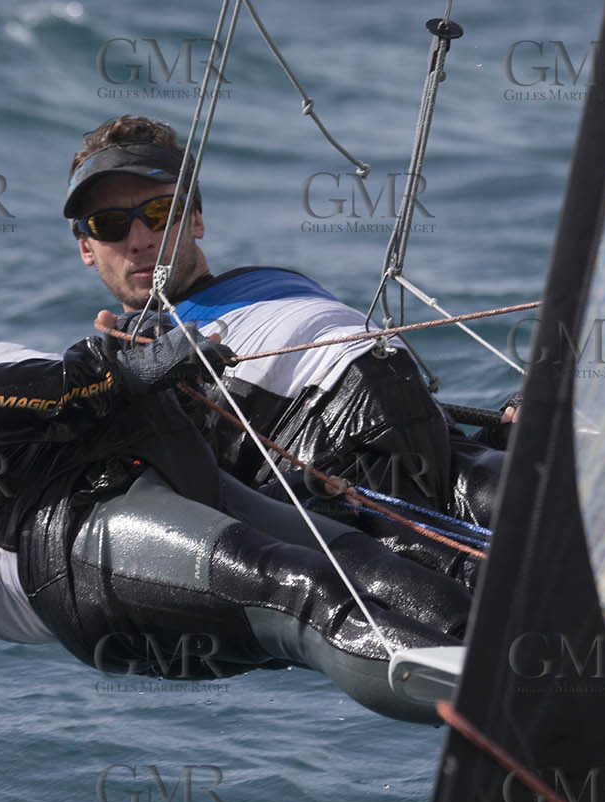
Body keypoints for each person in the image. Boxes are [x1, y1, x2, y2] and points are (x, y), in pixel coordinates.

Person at [0, 216, 473, 723]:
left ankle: (539, 662)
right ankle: (518, 718)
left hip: (153, 476)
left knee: (368, 557)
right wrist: (96, 381)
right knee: (306, 589)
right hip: (66, 540)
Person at [61, 115, 510, 583]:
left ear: (194, 219)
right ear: (86, 248)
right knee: (493, 581)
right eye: (110, 224)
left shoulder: (271, 280)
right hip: (331, 473)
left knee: (564, 508)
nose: (139, 240)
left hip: (427, 434)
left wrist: (499, 435)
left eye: (159, 213)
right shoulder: (134, 343)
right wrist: (129, 377)